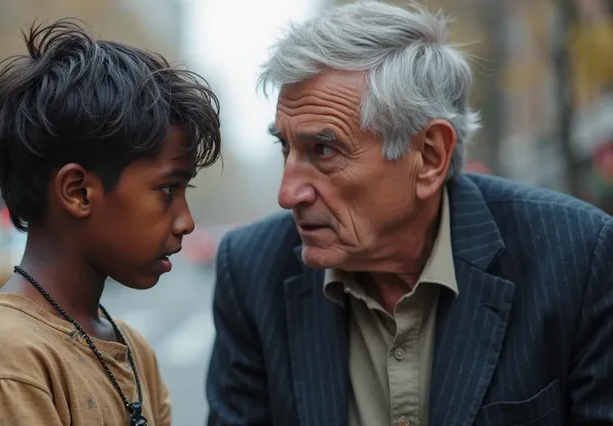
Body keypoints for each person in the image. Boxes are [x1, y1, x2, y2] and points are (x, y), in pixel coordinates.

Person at [205, 2, 613, 426]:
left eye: (323, 150)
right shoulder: (252, 273)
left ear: (430, 156)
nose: (288, 193)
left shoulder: (578, 261)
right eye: (285, 148)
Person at [0, 18, 221, 426]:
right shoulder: (8, 362)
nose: (186, 223)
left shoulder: (131, 348)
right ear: (78, 192)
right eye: (167, 190)